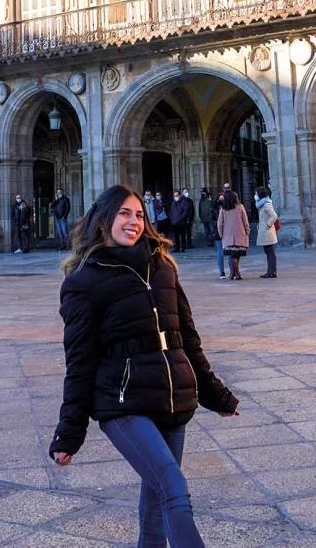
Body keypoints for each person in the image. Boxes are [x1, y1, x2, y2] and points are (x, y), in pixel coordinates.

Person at [49, 185, 239, 547]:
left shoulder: (163, 266)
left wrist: (215, 394)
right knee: (173, 485)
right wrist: (69, 432)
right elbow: (79, 361)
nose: (133, 221)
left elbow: (186, 336)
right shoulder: (84, 283)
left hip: (173, 400)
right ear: (104, 220)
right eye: (124, 213)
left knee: (156, 501)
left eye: (139, 215)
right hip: (123, 404)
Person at [217, 188, 250, 280]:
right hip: (240, 233)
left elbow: (220, 223)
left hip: (227, 235)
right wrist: (247, 230)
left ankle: (233, 273)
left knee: (233, 254)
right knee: (236, 254)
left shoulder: (223, 209)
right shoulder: (240, 207)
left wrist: (221, 233)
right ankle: (237, 273)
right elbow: (245, 220)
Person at [254, 186, 279, 278]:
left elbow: (274, 216)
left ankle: (272, 271)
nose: (255, 196)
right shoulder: (262, 204)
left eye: (256, 194)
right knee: (268, 252)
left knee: (270, 252)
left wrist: (268, 225)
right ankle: (270, 271)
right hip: (265, 230)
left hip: (267, 231)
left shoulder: (266, 204)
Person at [212, 189, 226, 278]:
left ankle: (233, 271)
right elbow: (213, 221)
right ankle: (222, 272)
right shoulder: (214, 209)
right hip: (219, 232)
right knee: (220, 252)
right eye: (220, 198)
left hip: (227, 232)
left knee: (229, 252)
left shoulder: (227, 208)